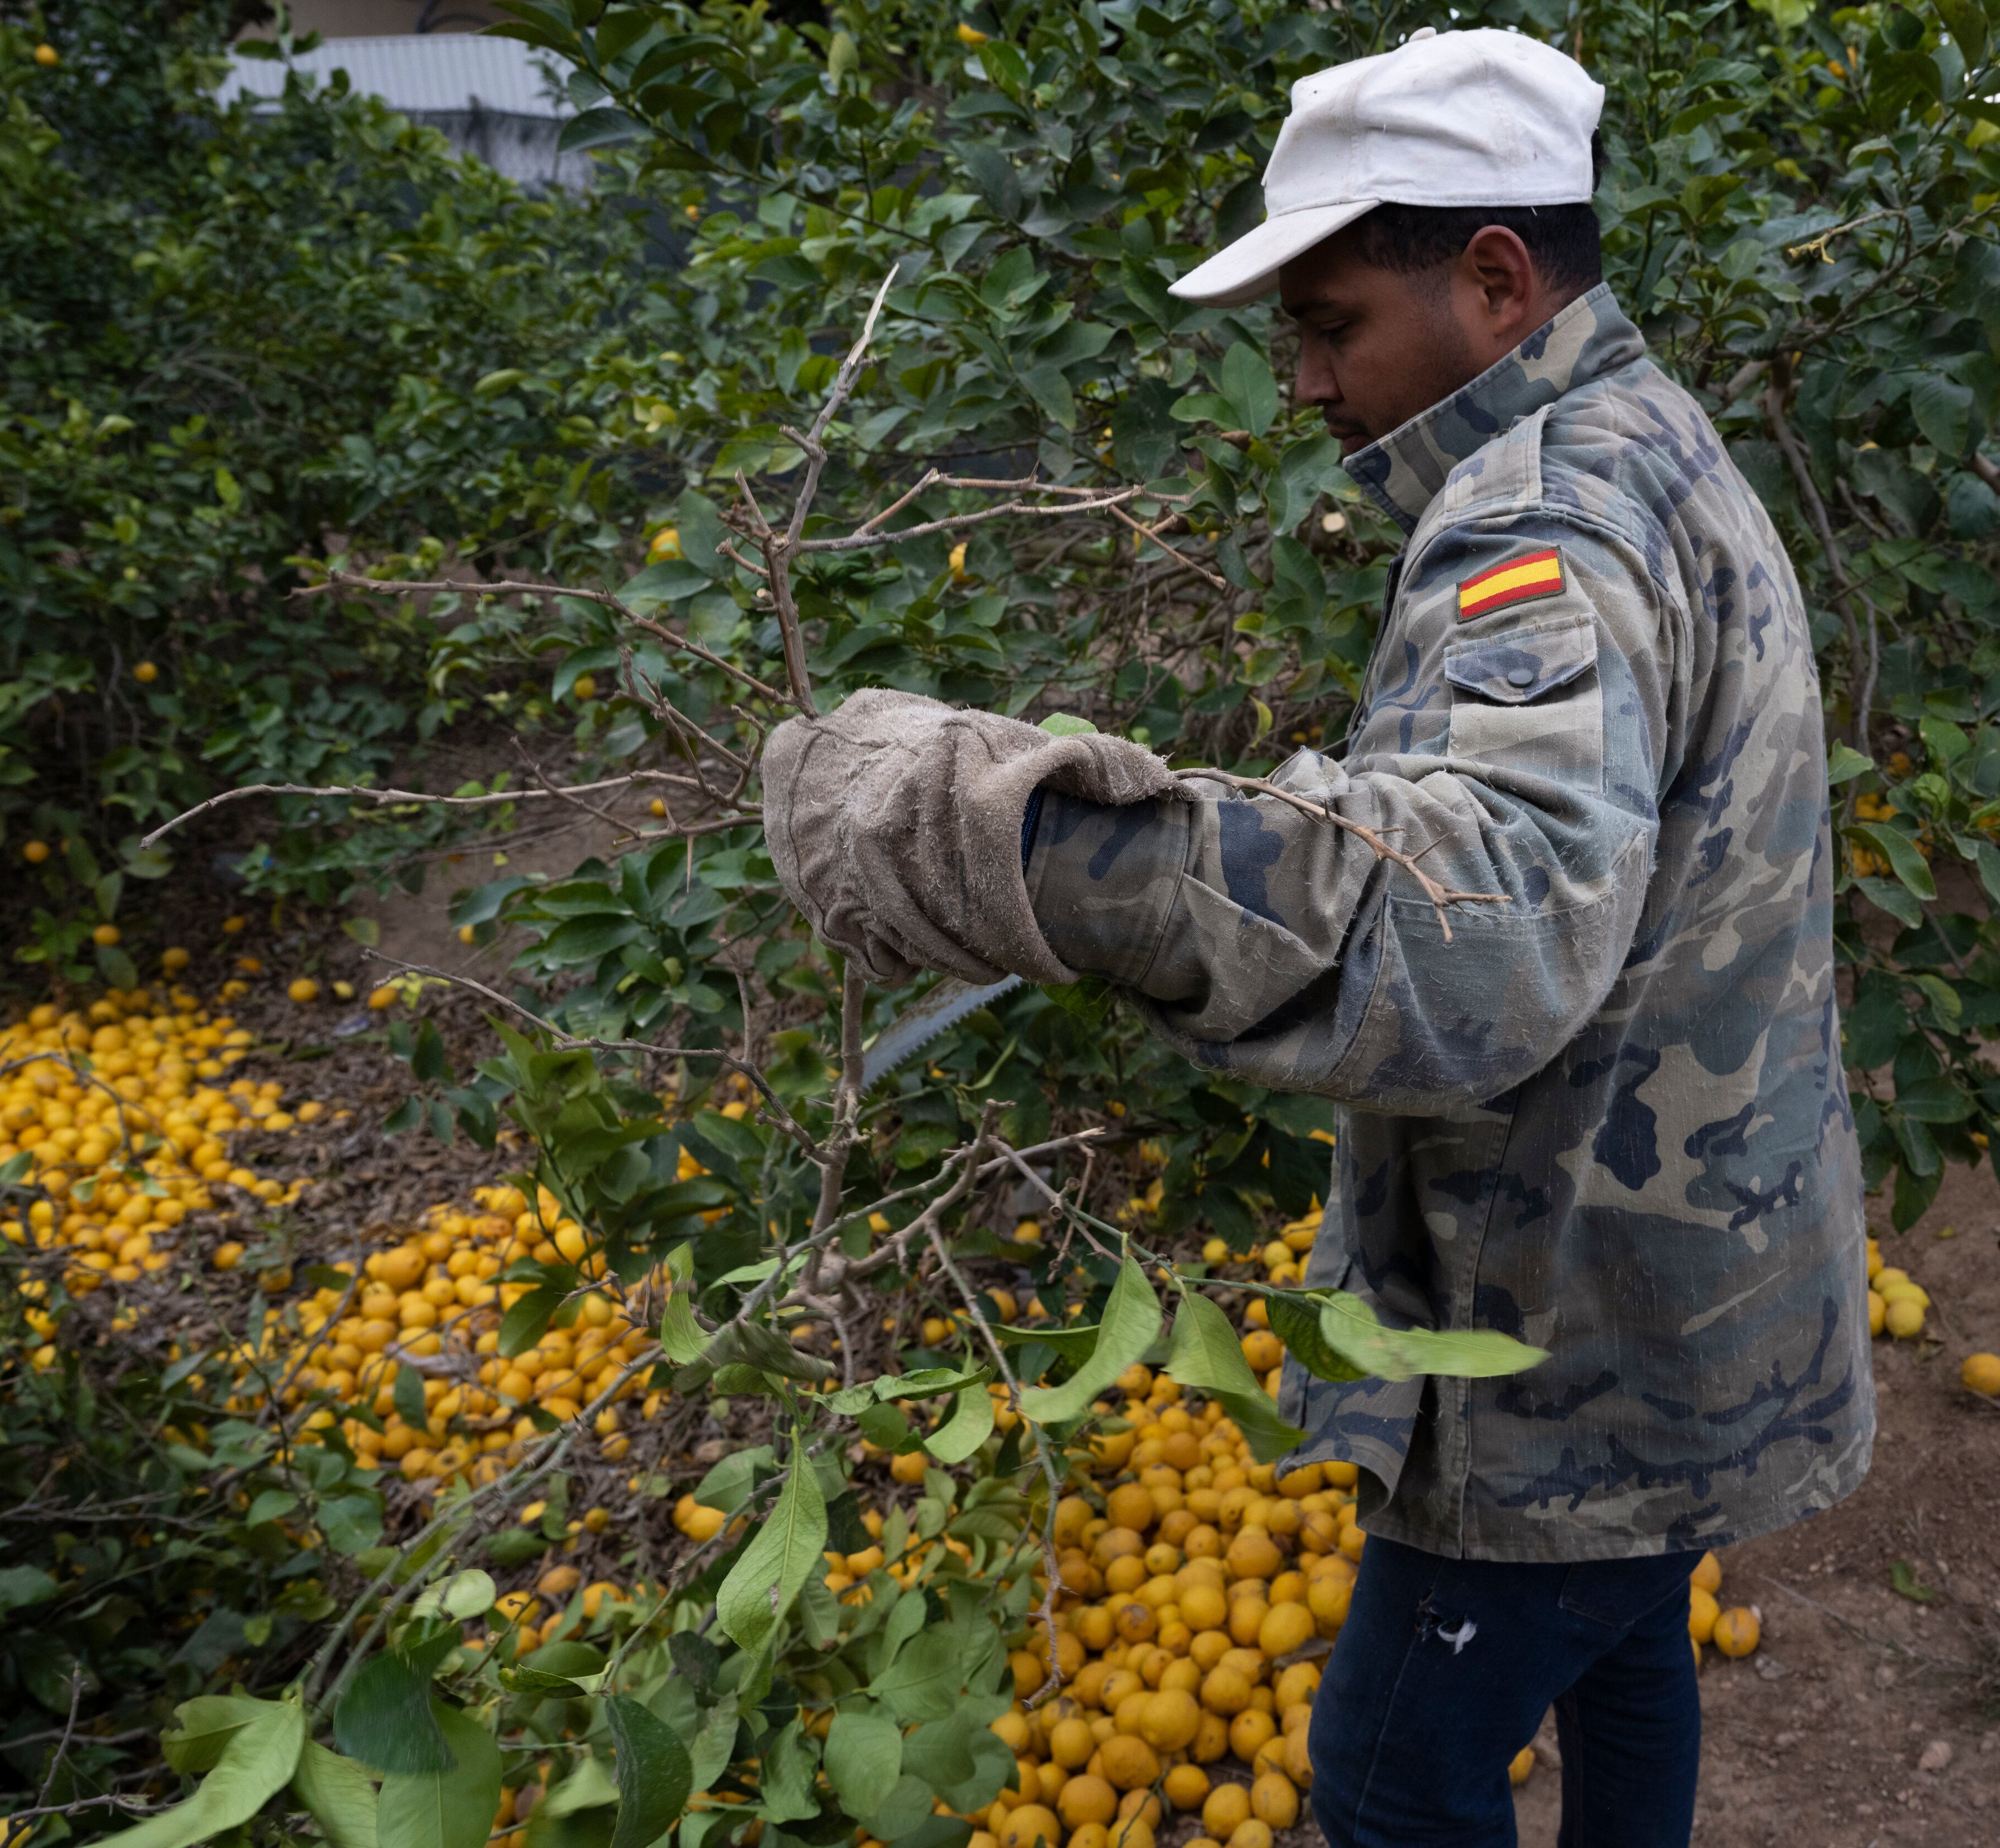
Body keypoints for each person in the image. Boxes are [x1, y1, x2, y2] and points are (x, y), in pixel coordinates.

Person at [760, 26, 1872, 1848]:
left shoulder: (1549, 514)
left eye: (1335, 322)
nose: (1306, 383)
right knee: (1625, 1648)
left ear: (1495, 280)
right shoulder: (1652, 441)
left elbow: (1477, 930)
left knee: (1380, 1783)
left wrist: (1030, 855)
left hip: (1556, 1322)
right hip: (1688, 1281)